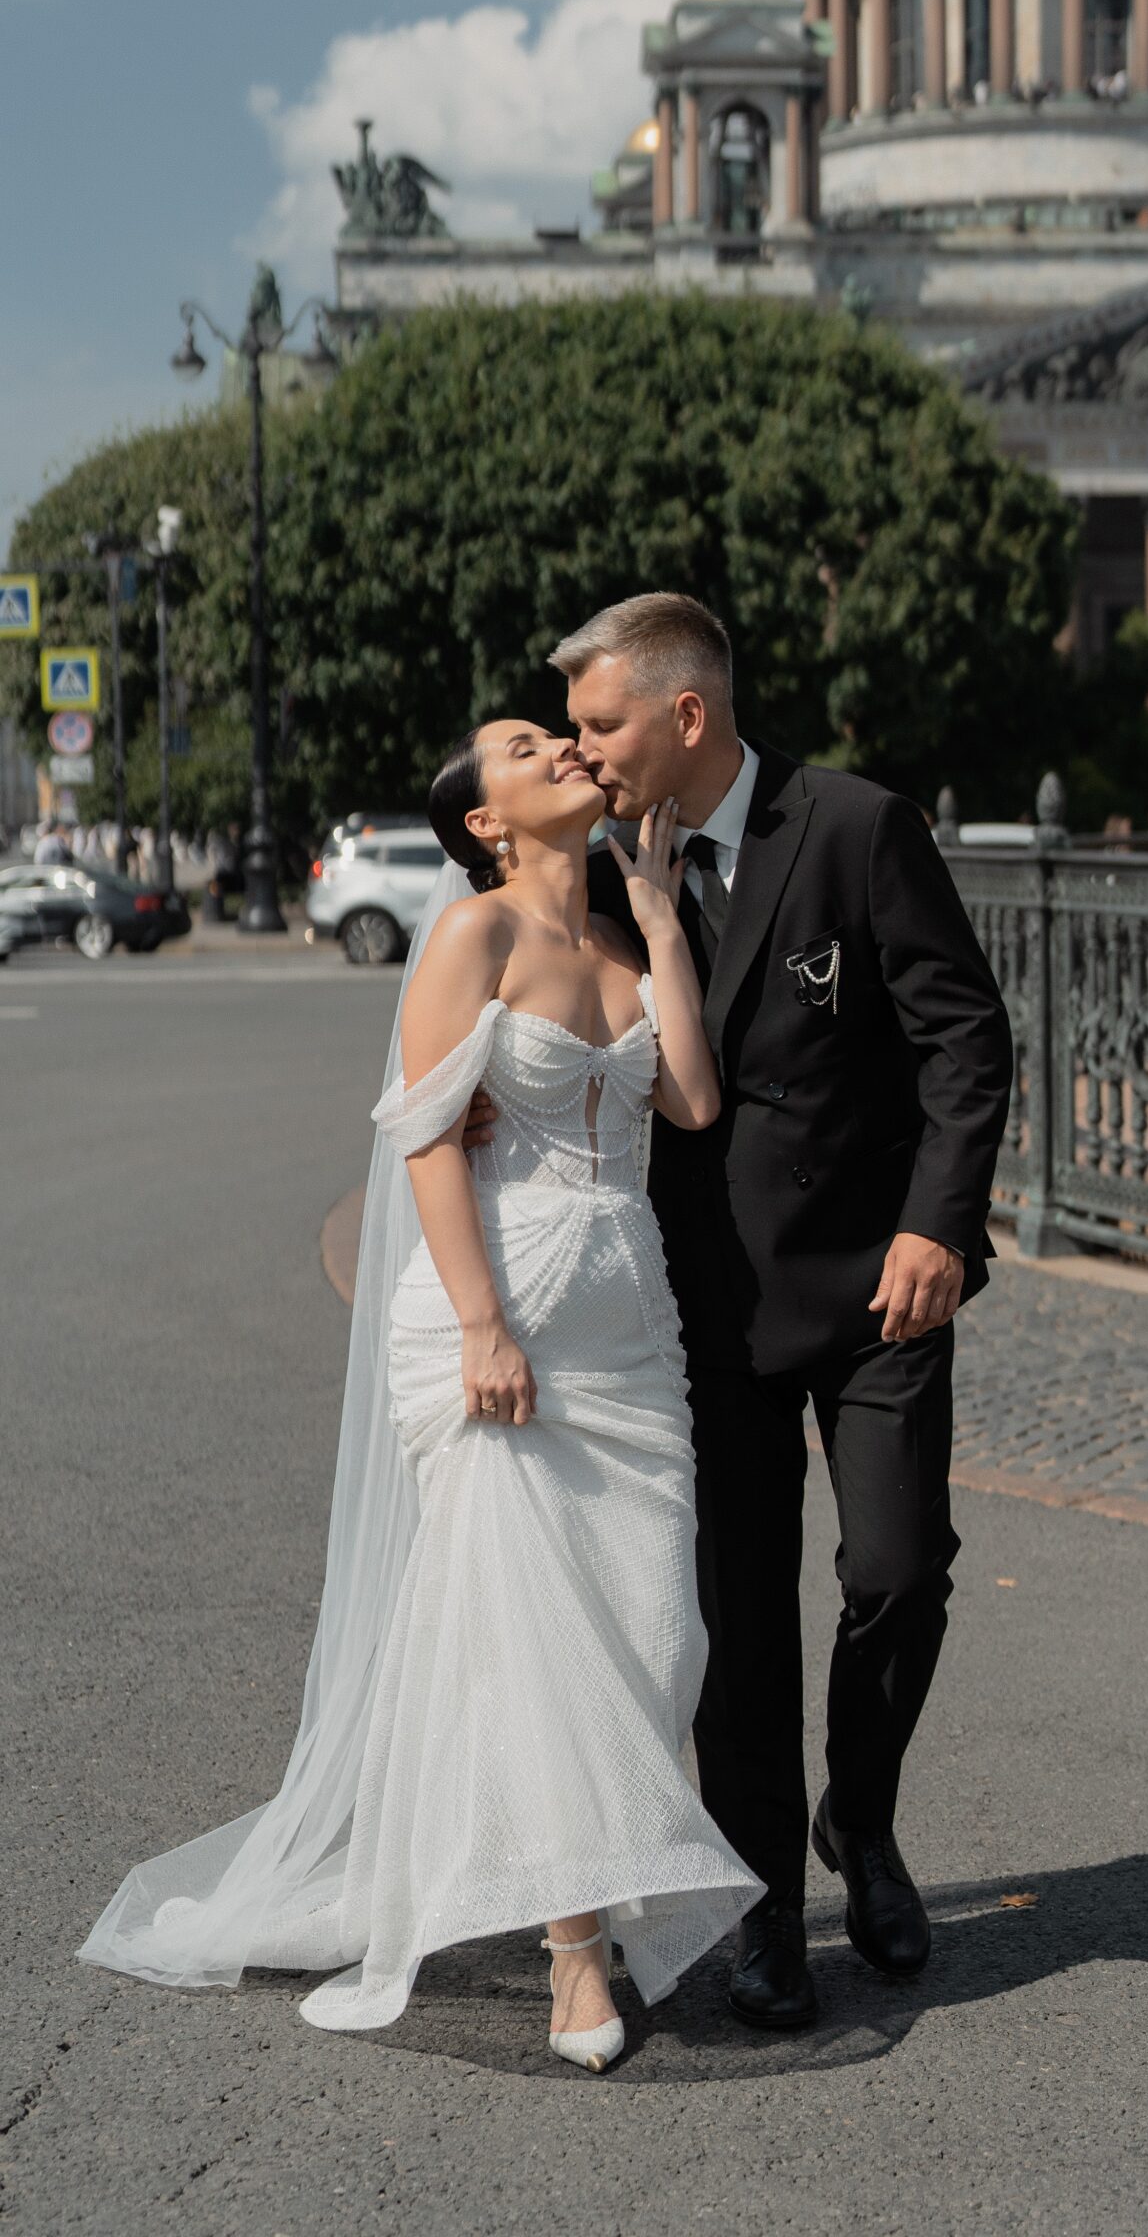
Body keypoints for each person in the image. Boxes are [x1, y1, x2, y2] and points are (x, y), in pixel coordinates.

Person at [82, 719, 760, 2066]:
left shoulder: (625, 939)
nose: (560, 746)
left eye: (557, 733)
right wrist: (481, 1326)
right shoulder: (471, 936)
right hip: (490, 1323)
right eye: (525, 747)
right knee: (534, 1634)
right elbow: (427, 1137)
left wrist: (660, 923)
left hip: (629, 1330)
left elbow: (690, 1099)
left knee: (650, 1627)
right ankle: (576, 1957)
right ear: (485, 823)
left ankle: (570, 1871)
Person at [470, 593, 1013, 2030]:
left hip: (882, 1282)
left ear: (687, 714)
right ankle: (768, 1903)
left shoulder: (856, 827)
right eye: (570, 731)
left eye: (600, 723)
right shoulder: (594, 872)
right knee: (739, 1609)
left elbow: (965, 1036)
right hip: (698, 1299)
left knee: (898, 1568)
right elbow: (514, 1013)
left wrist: (937, 1225)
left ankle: (862, 1821)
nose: (582, 753)